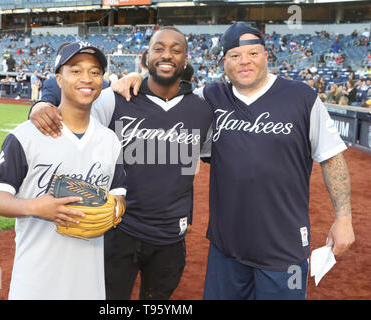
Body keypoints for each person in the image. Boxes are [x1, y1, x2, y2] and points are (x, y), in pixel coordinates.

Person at [111, 22, 355, 300]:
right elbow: (165, 91)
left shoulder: (302, 97)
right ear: (223, 61)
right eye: (236, 55)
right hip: (226, 249)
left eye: (253, 53)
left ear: (266, 55)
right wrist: (135, 78)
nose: (245, 62)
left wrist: (344, 218)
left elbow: (331, 158)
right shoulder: (209, 98)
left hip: (283, 248)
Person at [28, 28, 214, 300]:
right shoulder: (116, 98)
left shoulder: (202, 109)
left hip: (171, 235)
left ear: (186, 60)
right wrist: (41, 104)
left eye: (176, 50)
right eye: (159, 48)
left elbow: (208, 155)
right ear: (145, 56)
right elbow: (72, 86)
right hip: (118, 227)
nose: (167, 55)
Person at [0, 41, 126, 300]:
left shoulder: (110, 141)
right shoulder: (25, 136)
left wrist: (115, 210)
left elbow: (119, 195)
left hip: (89, 284)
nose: (87, 78)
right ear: (58, 79)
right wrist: (35, 208)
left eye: (95, 72)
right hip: (35, 283)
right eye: (76, 70)